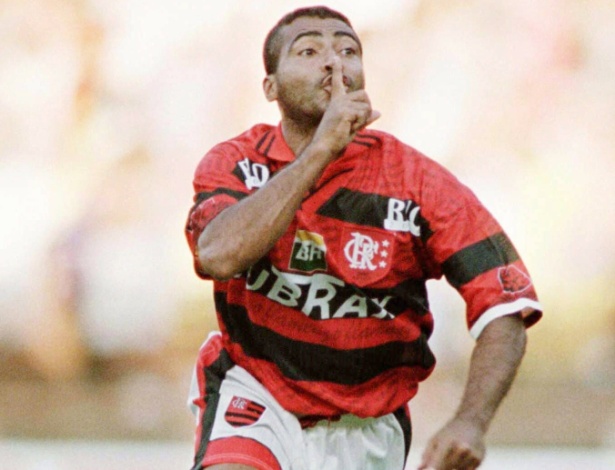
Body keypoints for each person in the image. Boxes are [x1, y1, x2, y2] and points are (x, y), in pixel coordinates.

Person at [185, 6, 542, 470]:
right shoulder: (236, 162)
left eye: (348, 50)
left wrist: (470, 422)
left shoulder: (416, 181)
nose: (333, 62)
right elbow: (217, 256)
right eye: (309, 51)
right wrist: (321, 150)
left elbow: (505, 304)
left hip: (367, 423)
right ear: (270, 87)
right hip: (256, 392)